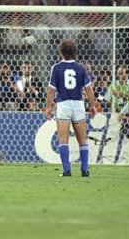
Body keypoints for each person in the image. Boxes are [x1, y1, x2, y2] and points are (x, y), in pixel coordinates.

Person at [45, 39, 99, 177]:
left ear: (60, 52)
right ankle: (85, 170)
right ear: (75, 52)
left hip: (63, 104)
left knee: (63, 140)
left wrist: (48, 107)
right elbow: (89, 88)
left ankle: (67, 171)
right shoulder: (81, 68)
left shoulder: (56, 68)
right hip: (78, 104)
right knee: (83, 140)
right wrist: (93, 105)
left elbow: (51, 90)